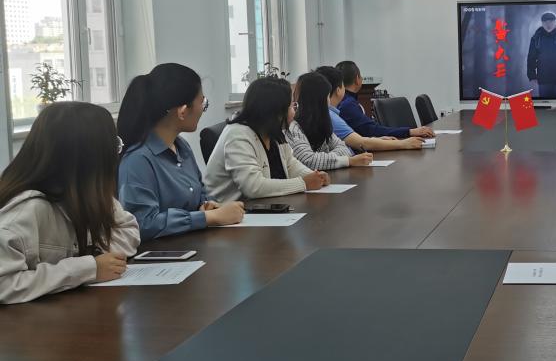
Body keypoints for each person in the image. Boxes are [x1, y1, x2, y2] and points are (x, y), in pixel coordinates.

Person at [0, 102, 140, 303]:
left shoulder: (89, 195)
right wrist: (86, 268)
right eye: (114, 146)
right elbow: (4, 285)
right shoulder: (25, 210)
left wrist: (97, 253)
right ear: (91, 159)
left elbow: (129, 230)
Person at [117, 63, 244, 239]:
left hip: (194, 242)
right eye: (203, 103)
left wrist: (206, 206)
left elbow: (200, 193)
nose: (203, 109)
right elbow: (143, 224)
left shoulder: (182, 147)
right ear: (183, 111)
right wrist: (208, 217)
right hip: (161, 253)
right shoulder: (138, 160)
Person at [204, 77, 330, 203]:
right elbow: (253, 187)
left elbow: (290, 164)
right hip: (231, 211)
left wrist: (314, 176)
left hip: (264, 206)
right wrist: (303, 183)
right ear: (276, 111)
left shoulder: (272, 132)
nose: (294, 111)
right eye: (292, 106)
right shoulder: (237, 135)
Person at [315, 66, 424, 152]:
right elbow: (362, 142)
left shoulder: (324, 113)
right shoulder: (332, 115)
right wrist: (403, 143)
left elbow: (351, 142)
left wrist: (376, 140)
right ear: (338, 90)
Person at [287, 72, 373, 170]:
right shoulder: (294, 129)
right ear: (320, 101)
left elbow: (345, 149)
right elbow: (309, 161)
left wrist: (325, 159)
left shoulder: (321, 124)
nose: (329, 101)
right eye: (328, 96)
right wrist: (347, 161)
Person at [335, 61, 433, 139]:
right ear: (357, 79)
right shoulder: (348, 105)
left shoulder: (344, 102)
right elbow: (372, 130)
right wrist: (409, 132)